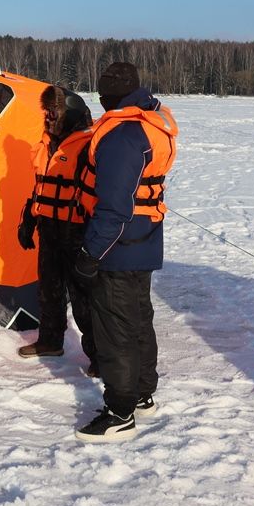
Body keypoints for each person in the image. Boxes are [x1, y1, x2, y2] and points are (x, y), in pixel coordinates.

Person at [73, 62, 178, 442]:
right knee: (137, 320)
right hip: (144, 242)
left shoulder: (122, 136)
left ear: (108, 95)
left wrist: (90, 253)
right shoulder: (150, 122)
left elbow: (114, 207)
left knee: (115, 329)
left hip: (117, 248)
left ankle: (120, 412)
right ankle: (143, 395)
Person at [16, 85, 98, 376]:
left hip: (77, 230)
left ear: (72, 112)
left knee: (83, 298)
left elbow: (95, 192)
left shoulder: (89, 144)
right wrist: (28, 219)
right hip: (49, 228)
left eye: (55, 111)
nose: (49, 117)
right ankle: (50, 341)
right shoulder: (47, 144)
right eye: (47, 111)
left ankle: (98, 357)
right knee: (48, 291)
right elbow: (41, 187)